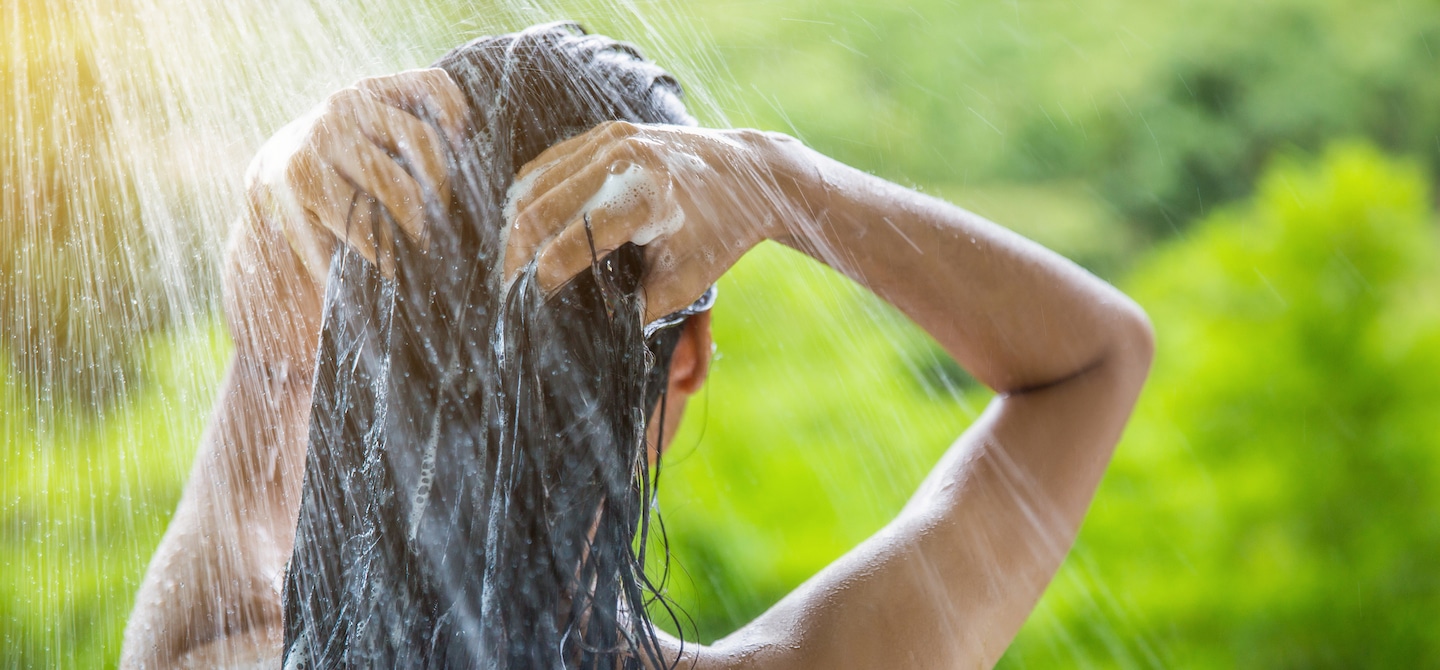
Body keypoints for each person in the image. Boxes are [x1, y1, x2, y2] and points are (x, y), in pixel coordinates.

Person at [121, 22, 1153, 669]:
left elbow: (270, 350)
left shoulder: (218, 651)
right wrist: (777, 181)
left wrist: (289, 172)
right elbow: (1096, 356)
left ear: (371, 348)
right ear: (689, 353)